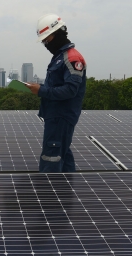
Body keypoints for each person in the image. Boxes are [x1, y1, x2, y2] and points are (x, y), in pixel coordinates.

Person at [25, 13, 87, 173]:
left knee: (51, 158)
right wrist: (40, 88)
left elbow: (70, 90)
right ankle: (65, 194)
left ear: (59, 33)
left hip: (61, 117)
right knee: (63, 155)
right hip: (55, 116)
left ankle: (49, 195)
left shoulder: (72, 58)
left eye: (48, 39)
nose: (46, 44)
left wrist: (41, 90)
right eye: (44, 41)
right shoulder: (59, 57)